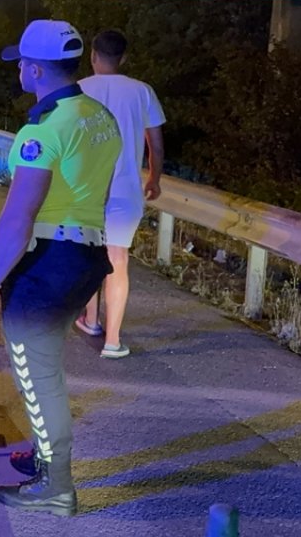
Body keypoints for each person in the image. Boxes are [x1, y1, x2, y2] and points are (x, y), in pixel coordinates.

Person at [0, 20, 122, 516]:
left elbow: (18, 217)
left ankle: (56, 486)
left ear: (33, 68)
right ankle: (44, 454)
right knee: (45, 367)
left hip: (51, 261)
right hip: (89, 256)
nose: (19, 71)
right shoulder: (99, 115)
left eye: (20, 64)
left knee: (37, 375)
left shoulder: (43, 129)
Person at [74, 30, 167, 359]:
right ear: (124, 58)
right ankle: (113, 341)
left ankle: (90, 319)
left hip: (86, 191)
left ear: (93, 56)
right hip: (126, 191)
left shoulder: (79, 90)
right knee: (118, 260)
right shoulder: (142, 92)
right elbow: (154, 143)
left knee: (88, 254)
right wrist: (154, 178)